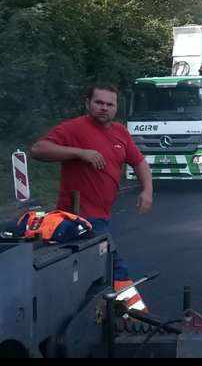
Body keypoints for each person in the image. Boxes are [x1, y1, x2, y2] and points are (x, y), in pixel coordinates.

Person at [30, 84, 153, 311]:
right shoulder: (74, 128)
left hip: (103, 215)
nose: (104, 108)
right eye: (99, 103)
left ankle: (100, 316)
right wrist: (79, 152)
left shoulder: (120, 132)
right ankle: (136, 318)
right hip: (77, 219)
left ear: (116, 107)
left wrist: (147, 190)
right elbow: (38, 150)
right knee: (112, 266)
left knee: (91, 272)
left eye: (110, 104)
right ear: (87, 103)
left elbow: (139, 162)